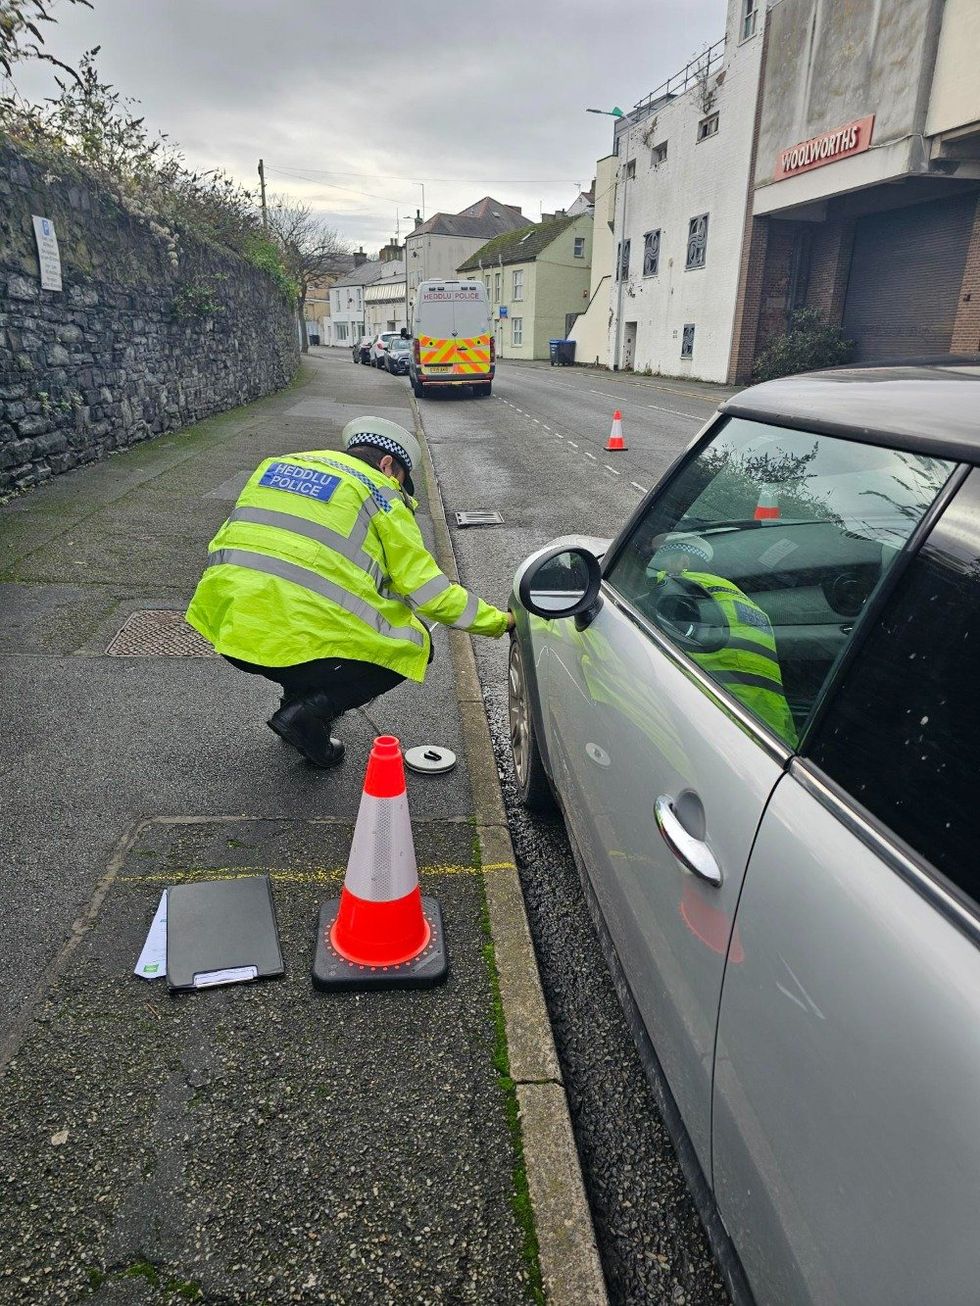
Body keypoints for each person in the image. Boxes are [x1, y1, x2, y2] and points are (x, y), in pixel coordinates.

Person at [186, 416, 513, 768]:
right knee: (413, 643)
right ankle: (307, 714)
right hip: (291, 642)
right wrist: (500, 621)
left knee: (298, 619)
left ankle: (295, 707)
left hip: (229, 627)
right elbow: (430, 593)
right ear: (387, 465)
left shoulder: (275, 467)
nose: (399, 489)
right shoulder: (381, 493)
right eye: (401, 480)